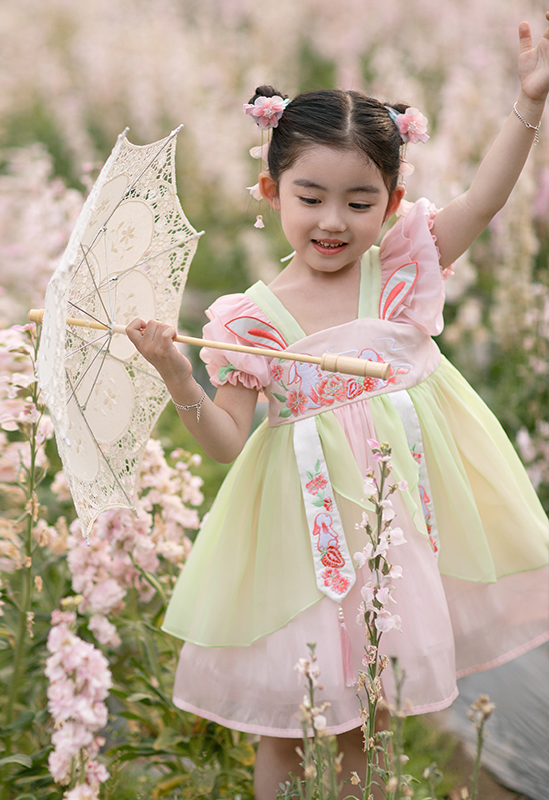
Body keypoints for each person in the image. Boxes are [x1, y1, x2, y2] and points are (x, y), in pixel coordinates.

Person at [125, 10, 549, 800]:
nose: (332, 221)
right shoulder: (249, 320)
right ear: (270, 191)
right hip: (302, 533)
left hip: (395, 527)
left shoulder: (397, 273)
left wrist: (529, 103)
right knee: (291, 716)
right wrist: (179, 378)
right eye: (310, 196)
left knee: (372, 712)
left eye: (359, 202)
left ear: (392, 203)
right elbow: (223, 441)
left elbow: (486, 200)